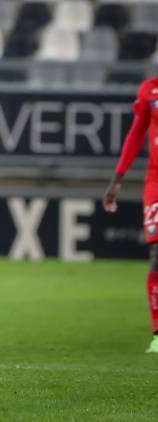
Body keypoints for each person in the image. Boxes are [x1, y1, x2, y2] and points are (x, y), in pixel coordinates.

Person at [103, 77, 158, 353]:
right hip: (156, 181)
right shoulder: (150, 88)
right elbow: (137, 133)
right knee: (157, 253)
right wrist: (117, 180)